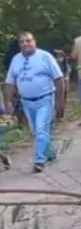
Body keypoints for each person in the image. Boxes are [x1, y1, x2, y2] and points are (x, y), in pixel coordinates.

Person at [2, 32, 65, 172]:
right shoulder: (16, 60)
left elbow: (59, 79)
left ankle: (39, 161)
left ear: (34, 42)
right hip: (26, 102)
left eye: (28, 41)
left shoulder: (45, 57)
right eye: (22, 42)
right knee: (36, 132)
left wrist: (61, 101)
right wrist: (8, 102)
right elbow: (10, 83)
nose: (25, 44)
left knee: (41, 129)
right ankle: (50, 153)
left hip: (45, 99)